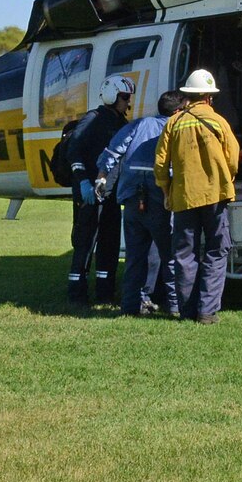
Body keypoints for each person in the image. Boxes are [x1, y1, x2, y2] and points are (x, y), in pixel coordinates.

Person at [153, 68, 240, 324]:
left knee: (184, 255)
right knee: (216, 251)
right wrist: (225, 179)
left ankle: (187, 311)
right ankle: (207, 312)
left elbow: (160, 164)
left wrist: (167, 190)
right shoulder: (218, 122)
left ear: (187, 96)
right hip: (215, 198)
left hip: (183, 199)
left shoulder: (174, 123)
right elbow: (232, 159)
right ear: (209, 97)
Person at [99, 88, 184, 316]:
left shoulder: (138, 125)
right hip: (159, 199)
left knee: (135, 257)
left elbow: (113, 151)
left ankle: (130, 306)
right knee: (170, 257)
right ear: (177, 110)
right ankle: (176, 307)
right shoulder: (176, 128)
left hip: (132, 199)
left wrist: (101, 177)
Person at [63, 74, 134, 305]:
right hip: (90, 194)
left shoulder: (120, 123)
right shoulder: (92, 119)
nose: (127, 102)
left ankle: (105, 292)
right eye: (124, 97)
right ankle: (77, 294)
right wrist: (83, 180)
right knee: (85, 243)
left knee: (110, 243)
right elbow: (74, 151)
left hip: (111, 195)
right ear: (112, 95)